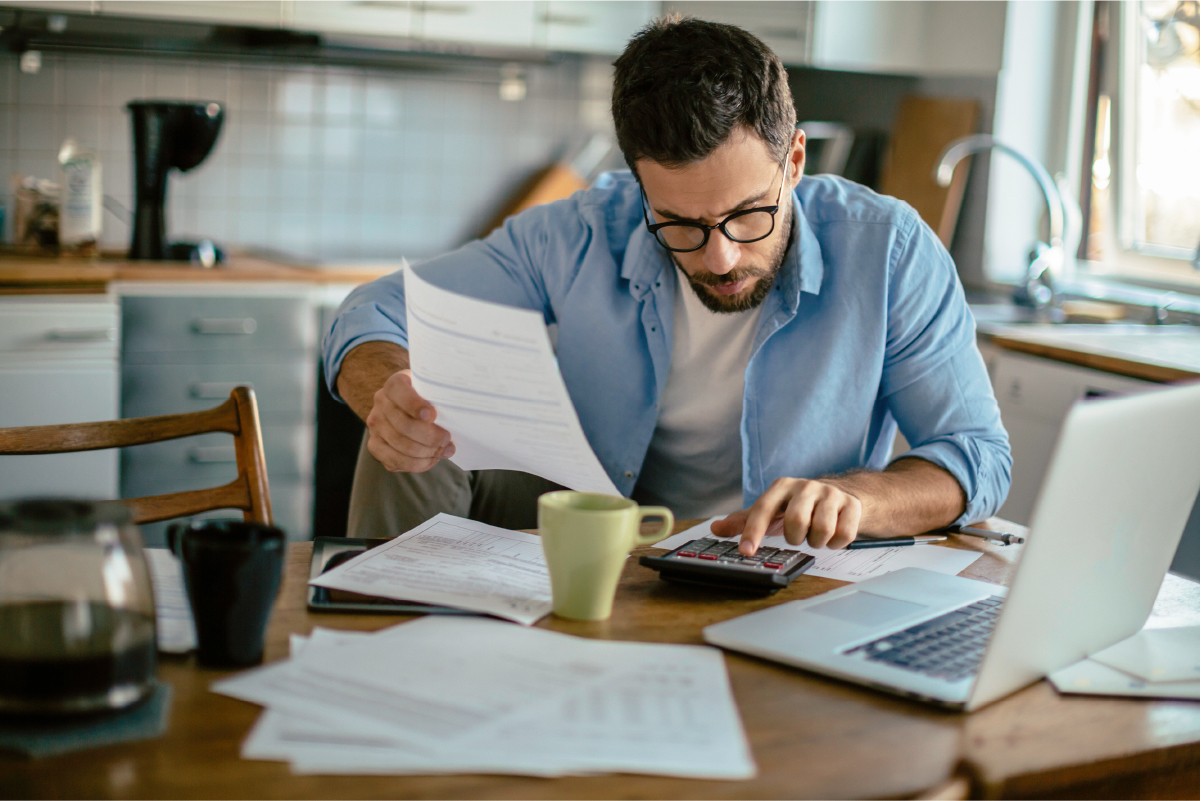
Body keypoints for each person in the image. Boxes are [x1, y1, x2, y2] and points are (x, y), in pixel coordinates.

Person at [323, 15, 1011, 555]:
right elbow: (372, 308)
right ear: (639, 187)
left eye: (747, 215)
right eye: (678, 223)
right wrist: (388, 390)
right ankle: (386, 651)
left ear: (794, 159)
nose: (717, 256)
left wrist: (857, 499)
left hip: (775, 559)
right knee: (412, 403)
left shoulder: (888, 248)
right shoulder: (584, 230)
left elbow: (975, 454)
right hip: (600, 527)